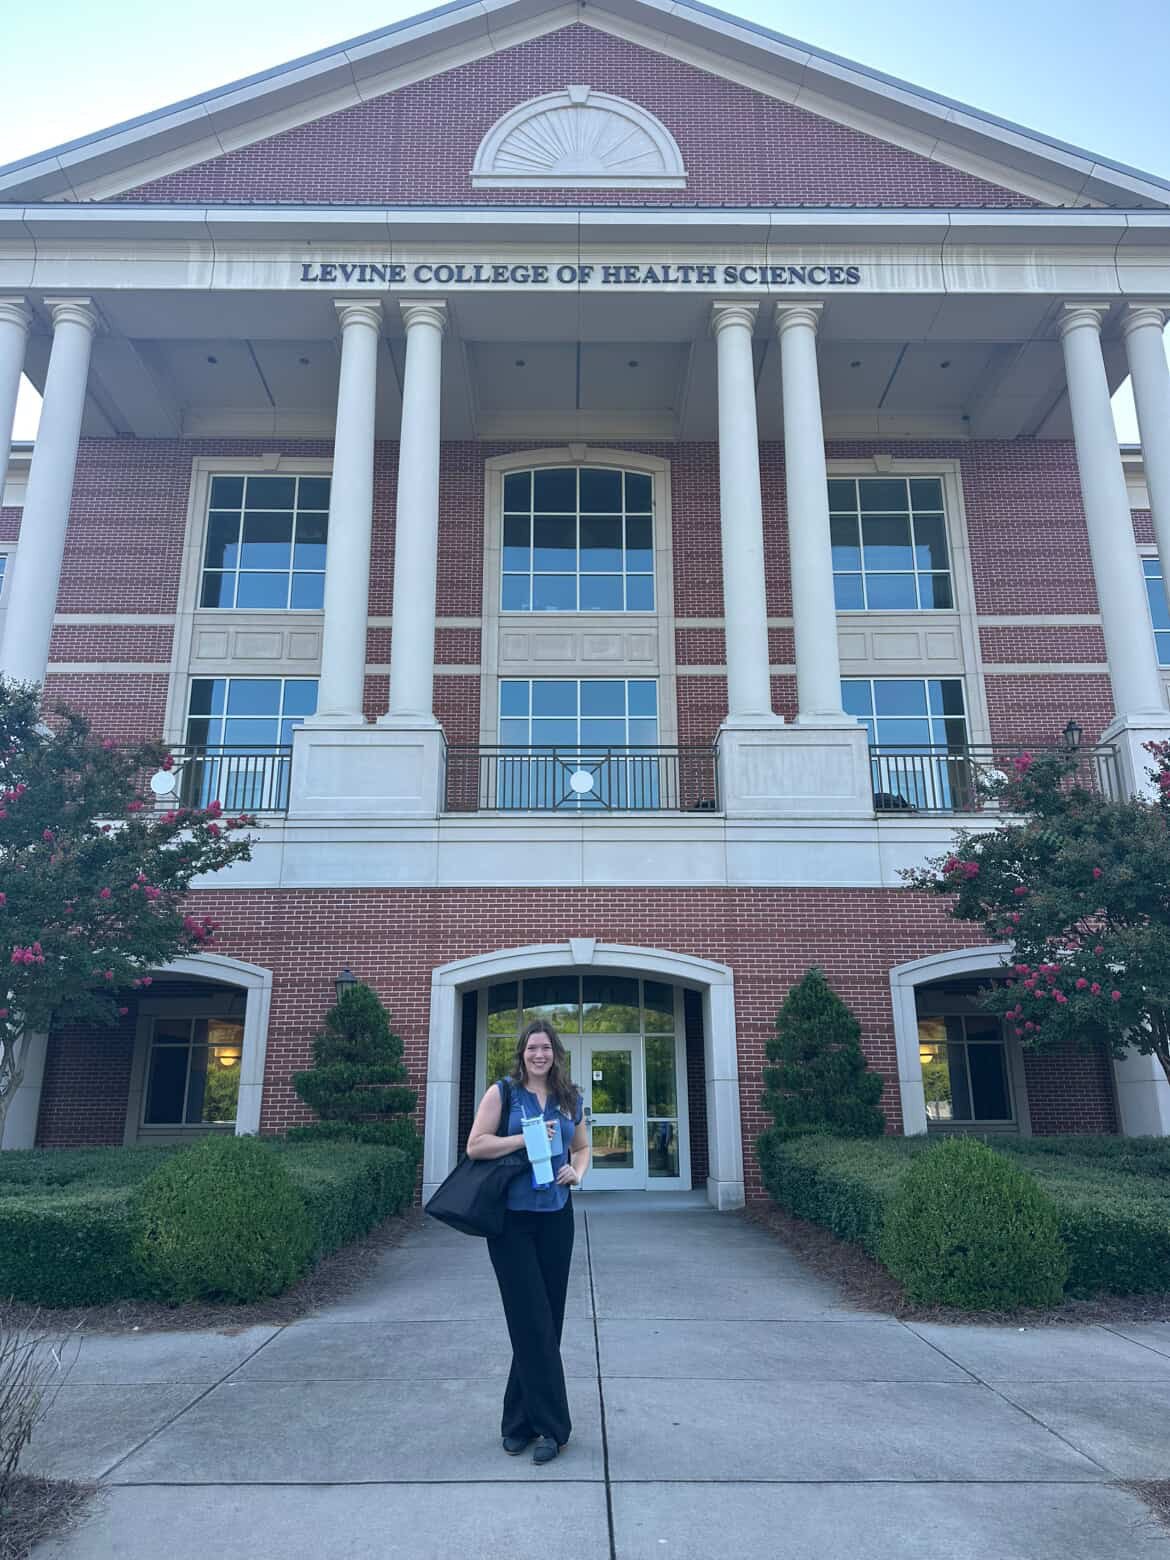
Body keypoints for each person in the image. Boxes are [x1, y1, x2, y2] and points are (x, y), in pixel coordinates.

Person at [466, 1018, 590, 1466]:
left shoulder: (568, 1098)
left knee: (547, 1320)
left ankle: (518, 1423)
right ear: (521, 1053)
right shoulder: (504, 1092)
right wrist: (524, 1138)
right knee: (528, 1319)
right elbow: (475, 1146)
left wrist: (578, 1171)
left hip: (556, 1218)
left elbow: (582, 1146)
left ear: (555, 1052)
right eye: (531, 1048)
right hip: (511, 1222)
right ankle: (553, 1429)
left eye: (546, 1048)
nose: (539, 1055)